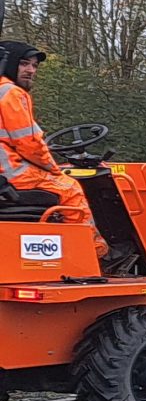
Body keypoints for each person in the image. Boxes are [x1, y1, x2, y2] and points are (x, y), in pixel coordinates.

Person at [0, 41, 106, 260]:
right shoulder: (11, 93)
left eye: (34, 66)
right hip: (12, 173)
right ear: (8, 63)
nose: (31, 70)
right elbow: (29, 143)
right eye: (24, 64)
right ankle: (93, 255)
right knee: (71, 188)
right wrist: (53, 168)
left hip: (6, 172)